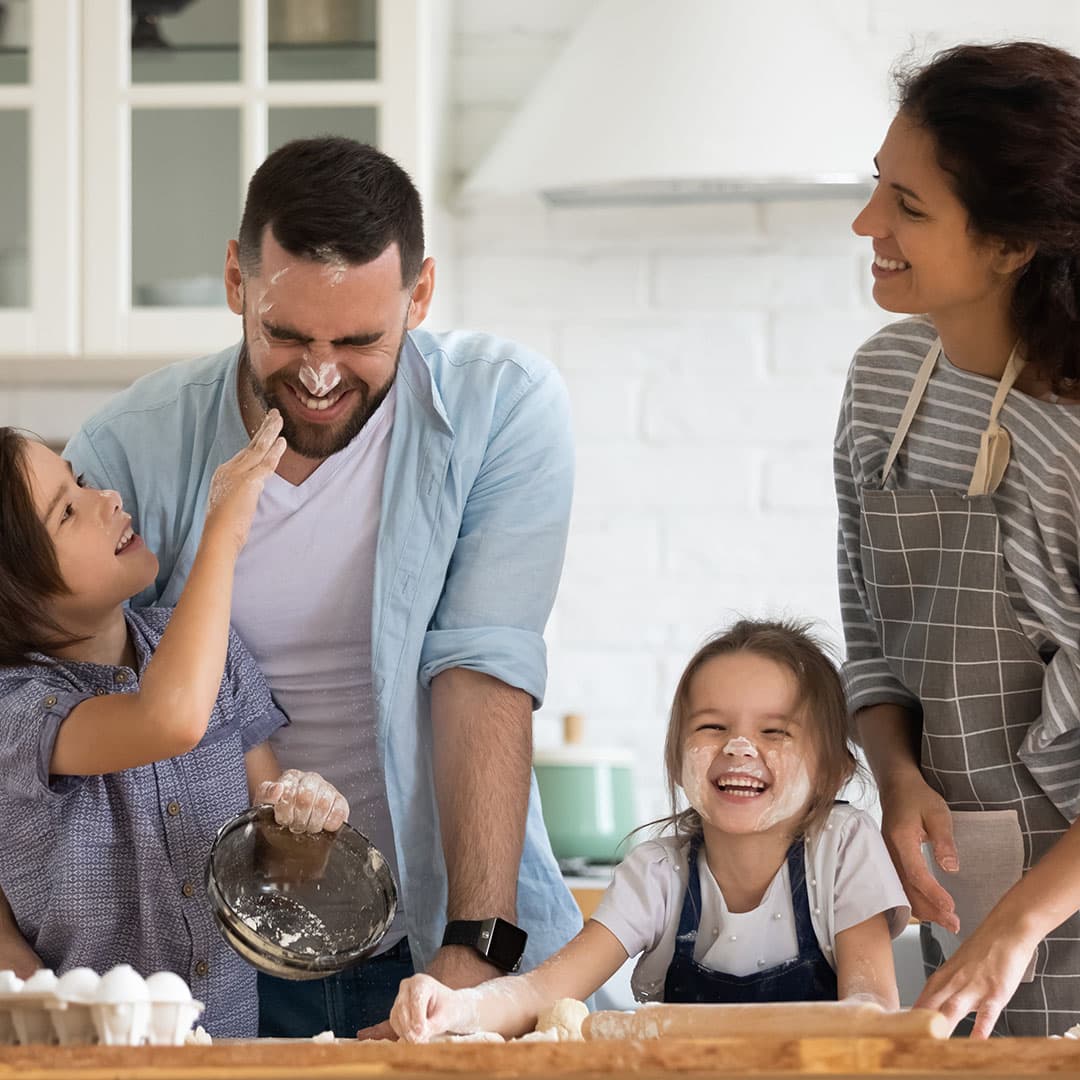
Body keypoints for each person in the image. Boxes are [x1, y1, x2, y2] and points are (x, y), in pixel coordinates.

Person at [54, 136, 581, 1038]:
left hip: (442, 932)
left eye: (362, 340)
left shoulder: (502, 407)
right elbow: (67, 716)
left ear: (419, 296)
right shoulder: (125, 452)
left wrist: (472, 948)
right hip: (213, 962)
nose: (321, 375)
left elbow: (481, 671)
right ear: (236, 281)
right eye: (288, 335)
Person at [836, 41, 1080, 1038]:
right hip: (961, 878)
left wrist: (1018, 927)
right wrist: (895, 777)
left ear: (1012, 245)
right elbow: (871, 638)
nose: (868, 224)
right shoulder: (883, 379)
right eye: (878, 187)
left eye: (910, 205)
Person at [389, 620, 910, 1042]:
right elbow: (545, 992)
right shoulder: (660, 873)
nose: (739, 747)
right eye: (713, 727)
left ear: (834, 770)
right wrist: (456, 1008)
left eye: (774, 732)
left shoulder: (843, 847)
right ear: (675, 754)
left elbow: (871, 1011)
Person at [0, 415, 351, 1037]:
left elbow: (276, 876)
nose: (105, 499)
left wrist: (303, 826)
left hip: (228, 1051)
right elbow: (167, 720)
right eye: (66, 514)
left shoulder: (212, 653)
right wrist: (225, 531)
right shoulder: (17, 710)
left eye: (80, 483)